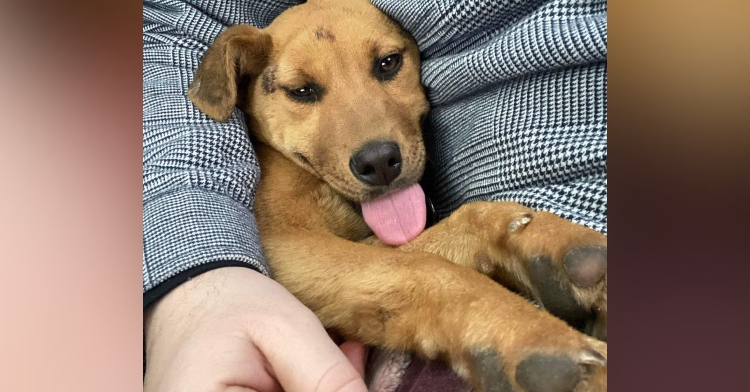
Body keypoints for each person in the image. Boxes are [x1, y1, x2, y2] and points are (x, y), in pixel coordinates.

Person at [142, 0, 608, 391]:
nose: (372, 144)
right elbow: (291, 261)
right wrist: (462, 309)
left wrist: (481, 231)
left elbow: (360, 264)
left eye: (387, 65)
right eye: (304, 92)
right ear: (246, 90)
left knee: (480, 226)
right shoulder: (269, 173)